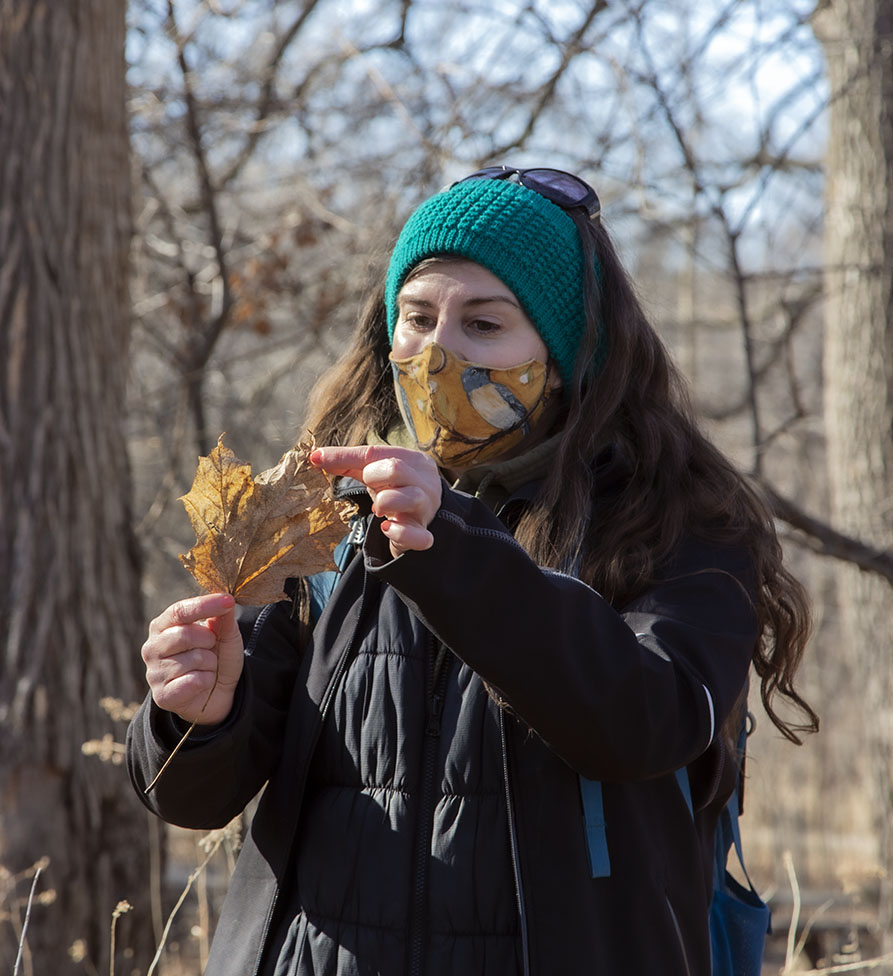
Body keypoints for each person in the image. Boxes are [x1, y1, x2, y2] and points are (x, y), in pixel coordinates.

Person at [126, 166, 818, 976]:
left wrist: (449, 549)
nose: (435, 352)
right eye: (415, 318)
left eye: (483, 326)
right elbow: (188, 797)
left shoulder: (675, 523)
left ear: (566, 354)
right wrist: (196, 720)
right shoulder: (325, 513)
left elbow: (649, 722)